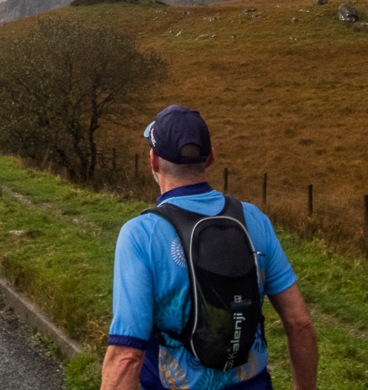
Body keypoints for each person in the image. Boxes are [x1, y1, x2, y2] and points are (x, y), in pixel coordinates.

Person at [101, 105, 318, 390]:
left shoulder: (141, 234)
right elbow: (299, 324)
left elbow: (127, 357)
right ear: (211, 157)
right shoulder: (254, 219)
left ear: (153, 161)